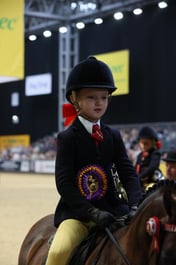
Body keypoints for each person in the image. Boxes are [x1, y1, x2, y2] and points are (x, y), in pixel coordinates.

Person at [45, 56, 142, 265]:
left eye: (104, 97)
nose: (99, 103)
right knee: (57, 253)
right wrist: (92, 212)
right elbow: (64, 184)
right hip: (78, 214)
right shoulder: (67, 138)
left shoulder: (113, 136)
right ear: (74, 98)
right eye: (91, 97)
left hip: (115, 211)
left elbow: (128, 174)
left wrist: (136, 204)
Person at [134, 126, 163, 192]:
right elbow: (135, 168)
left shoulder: (155, 154)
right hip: (140, 182)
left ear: (153, 143)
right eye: (142, 143)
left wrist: (139, 176)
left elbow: (152, 167)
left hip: (152, 180)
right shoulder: (140, 155)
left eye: (146, 143)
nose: (143, 145)